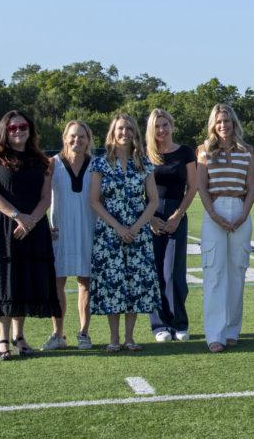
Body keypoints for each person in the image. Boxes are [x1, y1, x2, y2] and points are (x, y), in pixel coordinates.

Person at [0, 110, 61, 360]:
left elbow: (46, 198)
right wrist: (18, 217)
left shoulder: (42, 160)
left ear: (30, 128)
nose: (18, 131)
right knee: (6, 280)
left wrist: (32, 220)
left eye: (23, 126)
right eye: (13, 127)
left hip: (33, 226)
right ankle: (2, 338)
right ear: (5, 130)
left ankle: (20, 336)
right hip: (5, 225)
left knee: (24, 280)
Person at [89, 113, 162, 353]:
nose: (125, 133)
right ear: (112, 132)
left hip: (138, 233)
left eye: (129, 129)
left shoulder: (143, 162)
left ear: (135, 134)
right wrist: (118, 227)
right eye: (120, 129)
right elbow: (94, 201)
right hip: (109, 233)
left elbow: (152, 201)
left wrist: (136, 227)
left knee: (133, 284)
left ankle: (130, 338)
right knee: (113, 284)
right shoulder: (100, 162)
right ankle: (113, 338)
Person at [197, 103, 254, 352]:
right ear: (213, 124)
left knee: (237, 274)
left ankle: (232, 330)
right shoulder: (203, 151)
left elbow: (251, 187)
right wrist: (215, 215)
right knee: (214, 275)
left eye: (227, 121)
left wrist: (243, 214)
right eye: (219, 121)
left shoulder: (247, 151)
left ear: (234, 124)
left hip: (240, 210)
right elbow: (201, 187)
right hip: (215, 211)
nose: (223, 126)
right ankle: (215, 335)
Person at [42, 120, 97, 351]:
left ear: (89, 139)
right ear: (65, 137)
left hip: (88, 229)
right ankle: (58, 334)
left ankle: (84, 333)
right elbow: (42, 198)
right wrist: (44, 224)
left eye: (82, 136)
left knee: (85, 283)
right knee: (58, 283)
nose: (77, 140)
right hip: (59, 231)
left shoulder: (97, 164)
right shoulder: (52, 164)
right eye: (73, 136)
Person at [145, 109, 198, 342]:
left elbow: (193, 187)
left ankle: (179, 323)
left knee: (173, 272)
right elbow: (138, 190)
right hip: (151, 215)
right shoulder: (144, 154)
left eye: (165, 125)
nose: (161, 130)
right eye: (157, 126)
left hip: (177, 213)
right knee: (155, 271)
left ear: (172, 125)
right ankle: (159, 326)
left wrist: (178, 215)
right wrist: (149, 219)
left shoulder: (185, 152)